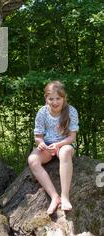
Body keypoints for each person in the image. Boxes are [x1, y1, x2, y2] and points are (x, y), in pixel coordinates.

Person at [28, 81, 79, 215]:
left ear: (64, 98)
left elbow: (72, 137)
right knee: (32, 160)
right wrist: (41, 143)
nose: (55, 102)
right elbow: (38, 136)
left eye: (58, 98)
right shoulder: (42, 112)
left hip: (64, 145)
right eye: (51, 99)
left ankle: (65, 196)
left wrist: (59, 145)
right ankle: (54, 196)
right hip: (48, 147)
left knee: (65, 152)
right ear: (46, 98)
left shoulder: (71, 111)